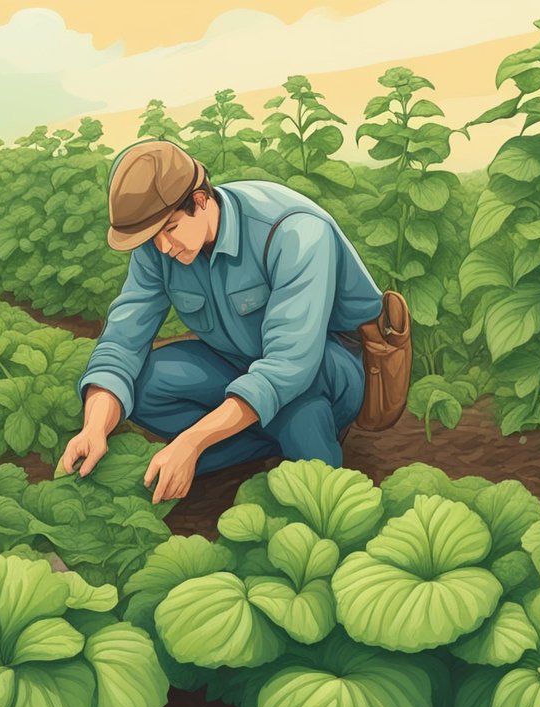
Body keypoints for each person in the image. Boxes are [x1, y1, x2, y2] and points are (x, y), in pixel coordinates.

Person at [60, 140, 383, 503]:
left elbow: (288, 366)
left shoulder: (294, 231)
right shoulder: (157, 244)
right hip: (233, 360)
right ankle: (261, 440)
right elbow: (123, 338)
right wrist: (95, 426)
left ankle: (311, 463)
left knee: (300, 418)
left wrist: (191, 441)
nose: (163, 247)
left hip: (324, 366)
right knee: (142, 383)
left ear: (200, 200)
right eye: (153, 238)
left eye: (171, 228)